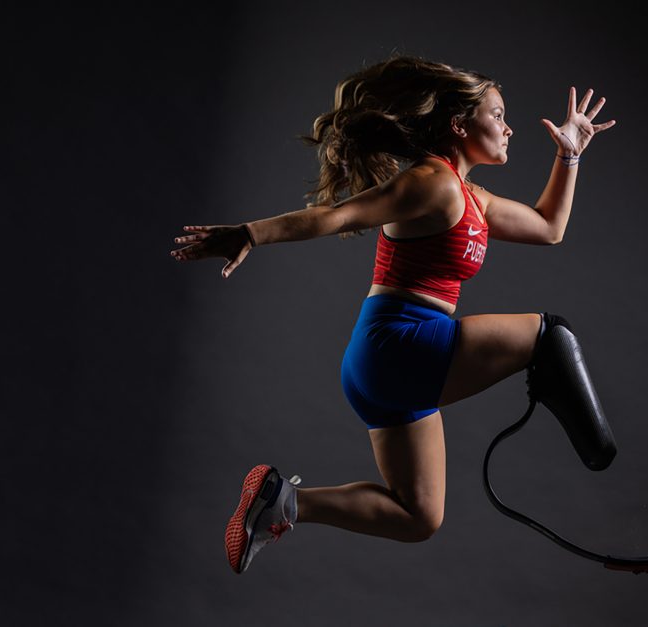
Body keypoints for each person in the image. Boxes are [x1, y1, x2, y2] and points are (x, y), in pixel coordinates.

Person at [169, 54, 616, 574]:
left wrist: (570, 155)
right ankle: (601, 454)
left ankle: (285, 502)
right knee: (550, 338)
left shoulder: (475, 197)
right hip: (399, 343)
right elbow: (339, 215)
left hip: (385, 367)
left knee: (417, 515)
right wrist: (249, 233)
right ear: (459, 124)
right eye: (497, 115)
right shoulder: (434, 182)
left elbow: (549, 227)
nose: (509, 127)